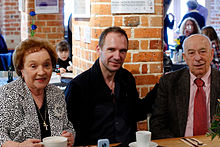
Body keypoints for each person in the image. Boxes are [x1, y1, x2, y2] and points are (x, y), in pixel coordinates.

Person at [65, 26, 151, 146]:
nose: (117, 56)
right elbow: (69, 130)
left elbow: (136, 113)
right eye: (111, 49)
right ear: (99, 49)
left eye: (122, 51)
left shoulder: (127, 79)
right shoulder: (78, 86)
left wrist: (162, 86)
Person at [0, 38, 75, 146]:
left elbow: (67, 126)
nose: (41, 72)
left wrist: (70, 136)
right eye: (33, 66)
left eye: (46, 65)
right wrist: (19, 146)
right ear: (21, 69)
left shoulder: (57, 94)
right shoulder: (7, 94)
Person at [150, 34, 220, 139]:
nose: (198, 58)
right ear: (185, 57)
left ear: (211, 54)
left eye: (203, 52)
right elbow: (157, 124)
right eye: (191, 53)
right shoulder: (169, 82)